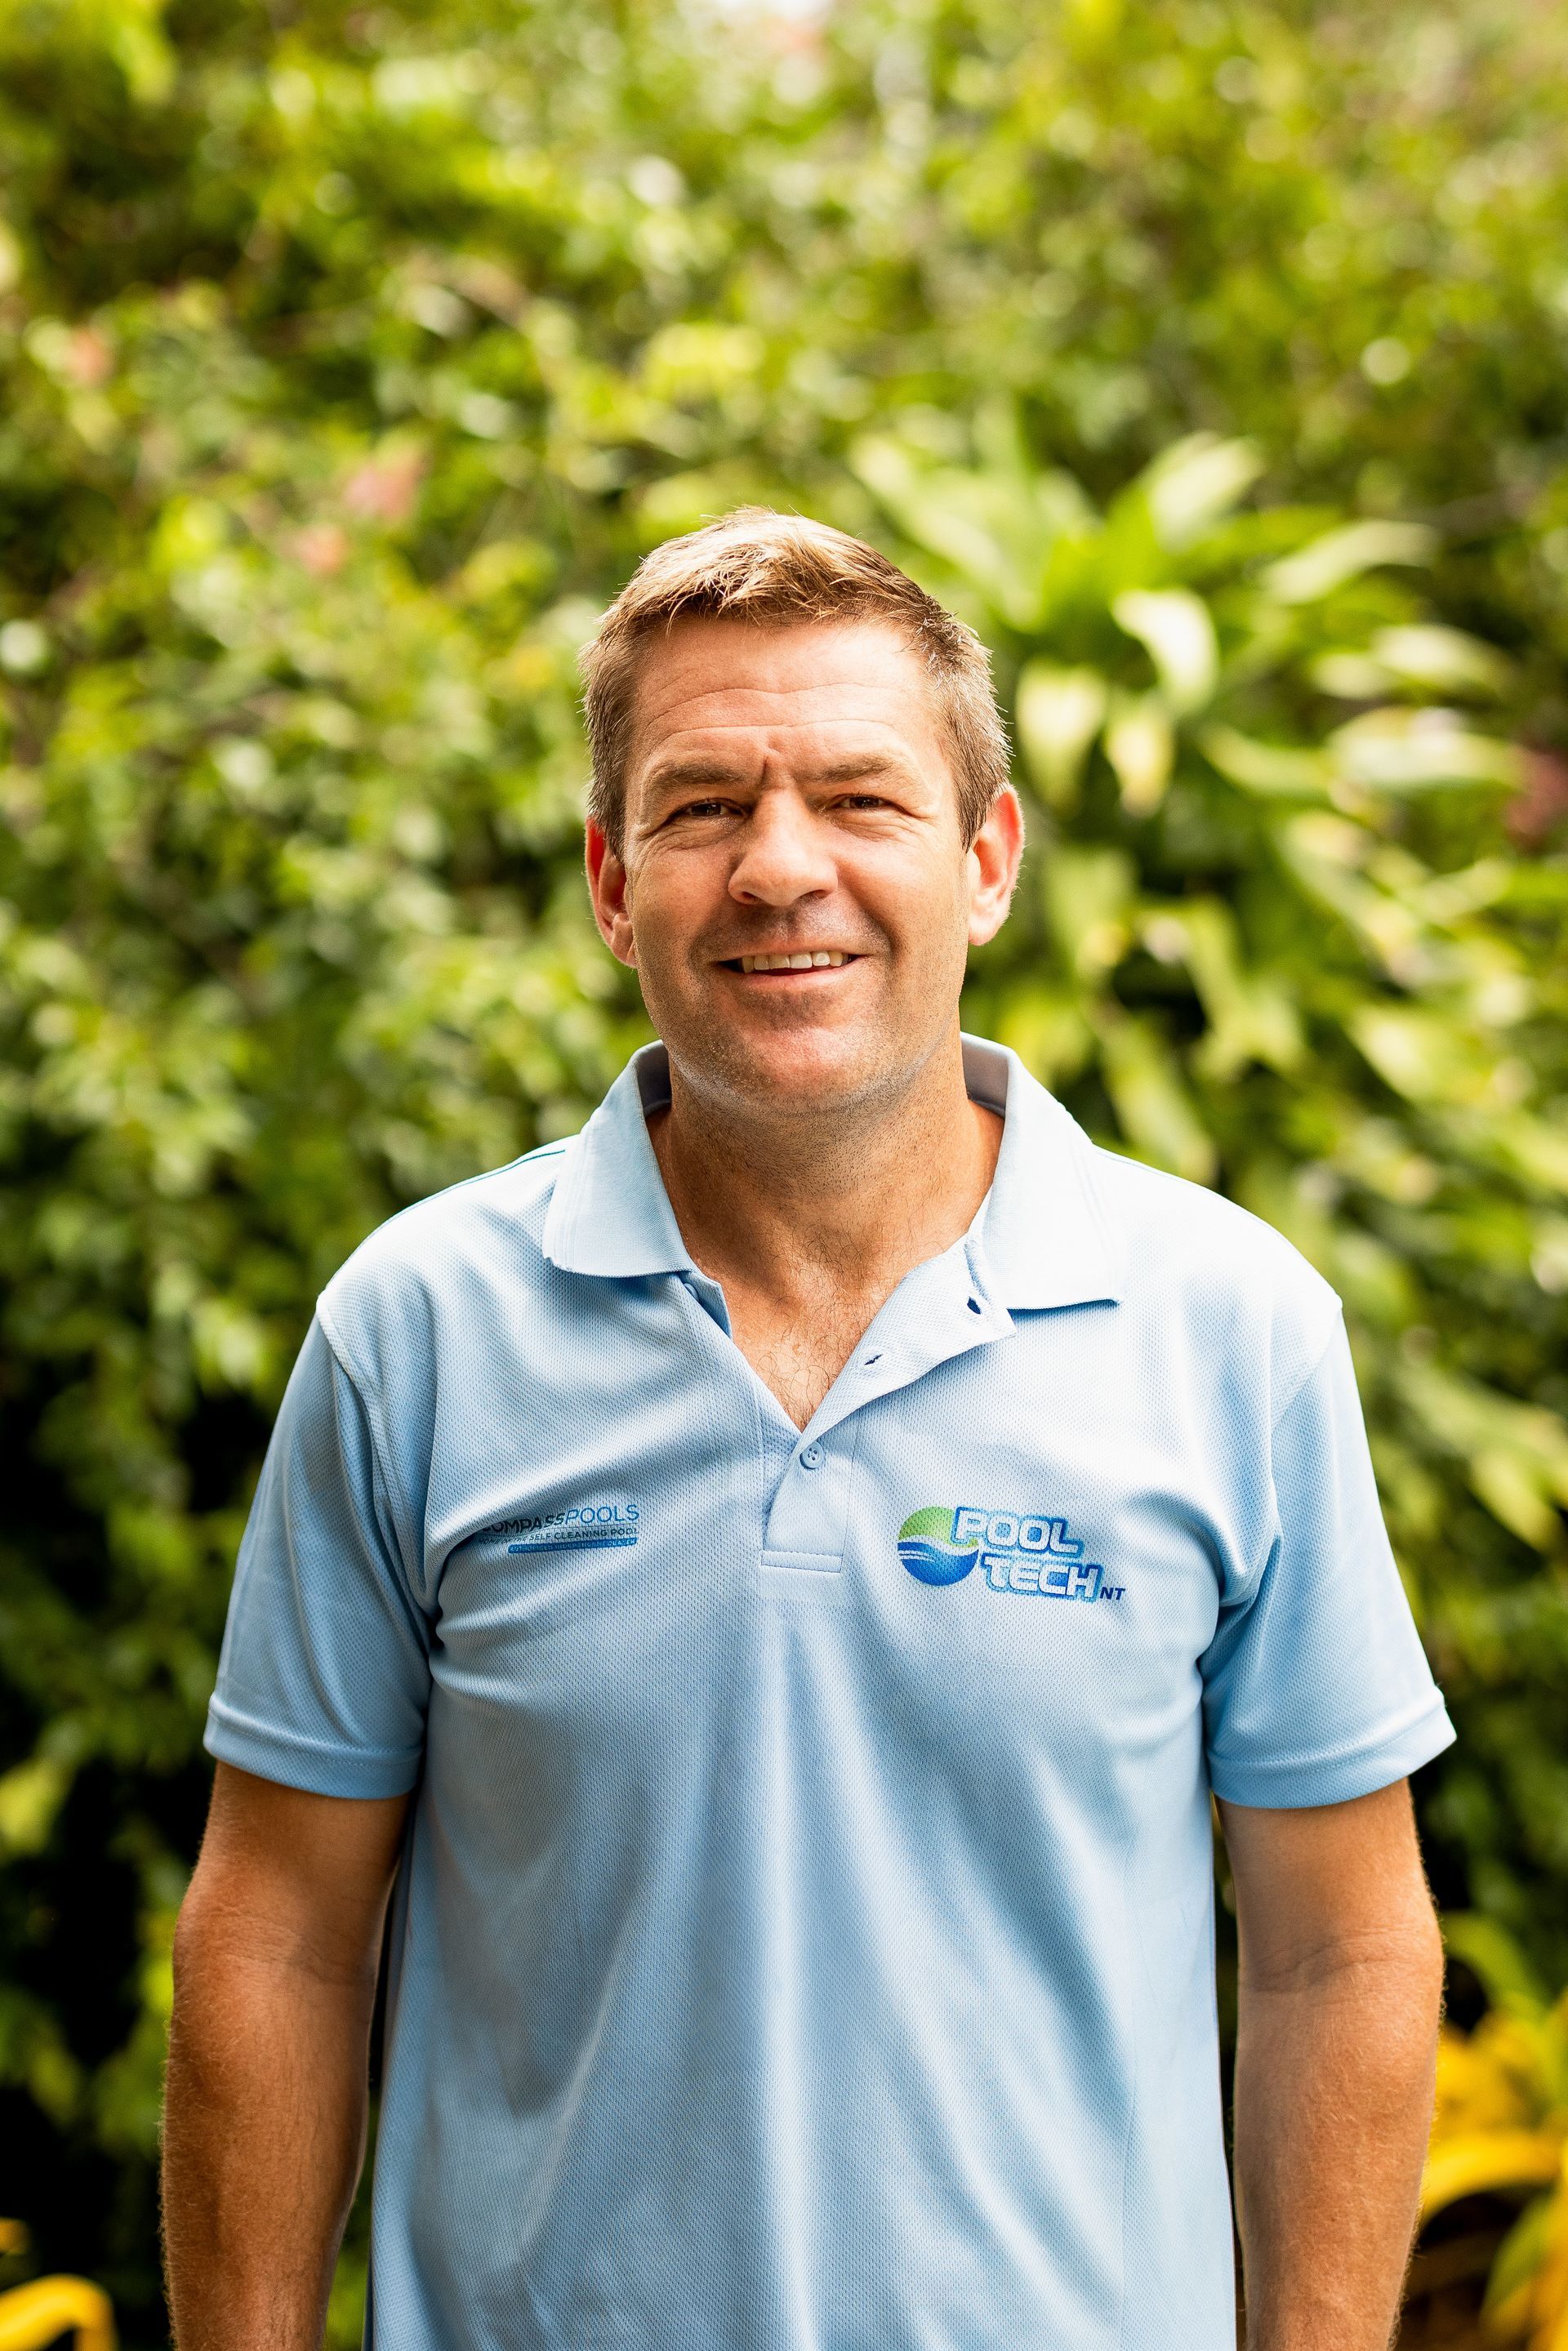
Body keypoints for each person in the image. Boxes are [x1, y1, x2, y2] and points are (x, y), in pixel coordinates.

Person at [162, 510, 1454, 2351]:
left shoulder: (1230, 1331)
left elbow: (1344, 1948)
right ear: (614, 884)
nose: (783, 870)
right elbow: (276, 1935)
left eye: (861, 798)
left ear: (986, 859)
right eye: (702, 809)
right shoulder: (420, 1331)